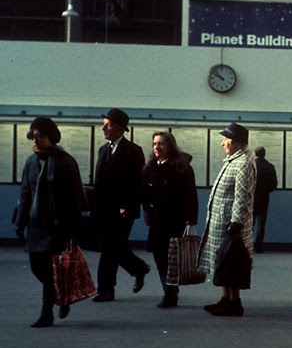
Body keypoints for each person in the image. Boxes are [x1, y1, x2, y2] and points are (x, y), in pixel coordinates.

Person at [13, 117, 85, 327]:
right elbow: (26, 192)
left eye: (40, 137)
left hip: (57, 225)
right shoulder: (31, 162)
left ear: (51, 137)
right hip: (36, 224)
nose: (35, 141)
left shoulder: (65, 161)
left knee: (50, 267)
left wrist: (72, 226)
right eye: (32, 137)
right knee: (37, 267)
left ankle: (47, 313)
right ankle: (62, 294)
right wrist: (20, 221)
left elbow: (75, 196)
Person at [198, 122, 256, 317]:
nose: (222, 143)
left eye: (226, 140)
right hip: (222, 220)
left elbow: (242, 196)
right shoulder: (234, 159)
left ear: (237, 143)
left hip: (229, 223)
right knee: (222, 261)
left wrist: (236, 222)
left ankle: (234, 302)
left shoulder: (243, 163)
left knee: (230, 262)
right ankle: (225, 299)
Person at [92, 108, 149, 302]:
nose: (103, 128)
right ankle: (138, 268)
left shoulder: (133, 151)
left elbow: (137, 183)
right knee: (112, 246)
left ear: (119, 128)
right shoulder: (103, 150)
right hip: (103, 209)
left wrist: (127, 203)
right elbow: (99, 181)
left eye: (107, 125)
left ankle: (106, 290)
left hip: (123, 209)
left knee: (110, 248)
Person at [140, 131, 198, 308]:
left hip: (175, 220)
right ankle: (168, 288)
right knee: (159, 256)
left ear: (170, 146)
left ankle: (171, 292)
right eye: (155, 144)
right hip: (157, 221)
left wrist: (191, 218)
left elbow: (190, 194)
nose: (157, 147)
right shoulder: (150, 168)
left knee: (172, 258)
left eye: (161, 144)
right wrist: (146, 211)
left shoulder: (181, 168)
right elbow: (145, 193)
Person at [252, 146, 278, 253]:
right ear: (264, 154)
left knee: (250, 223)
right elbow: (274, 184)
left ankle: (247, 246)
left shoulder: (252, 166)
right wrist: (266, 191)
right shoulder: (270, 167)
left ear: (255, 154)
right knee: (261, 224)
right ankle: (258, 247)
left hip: (251, 198)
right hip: (264, 198)